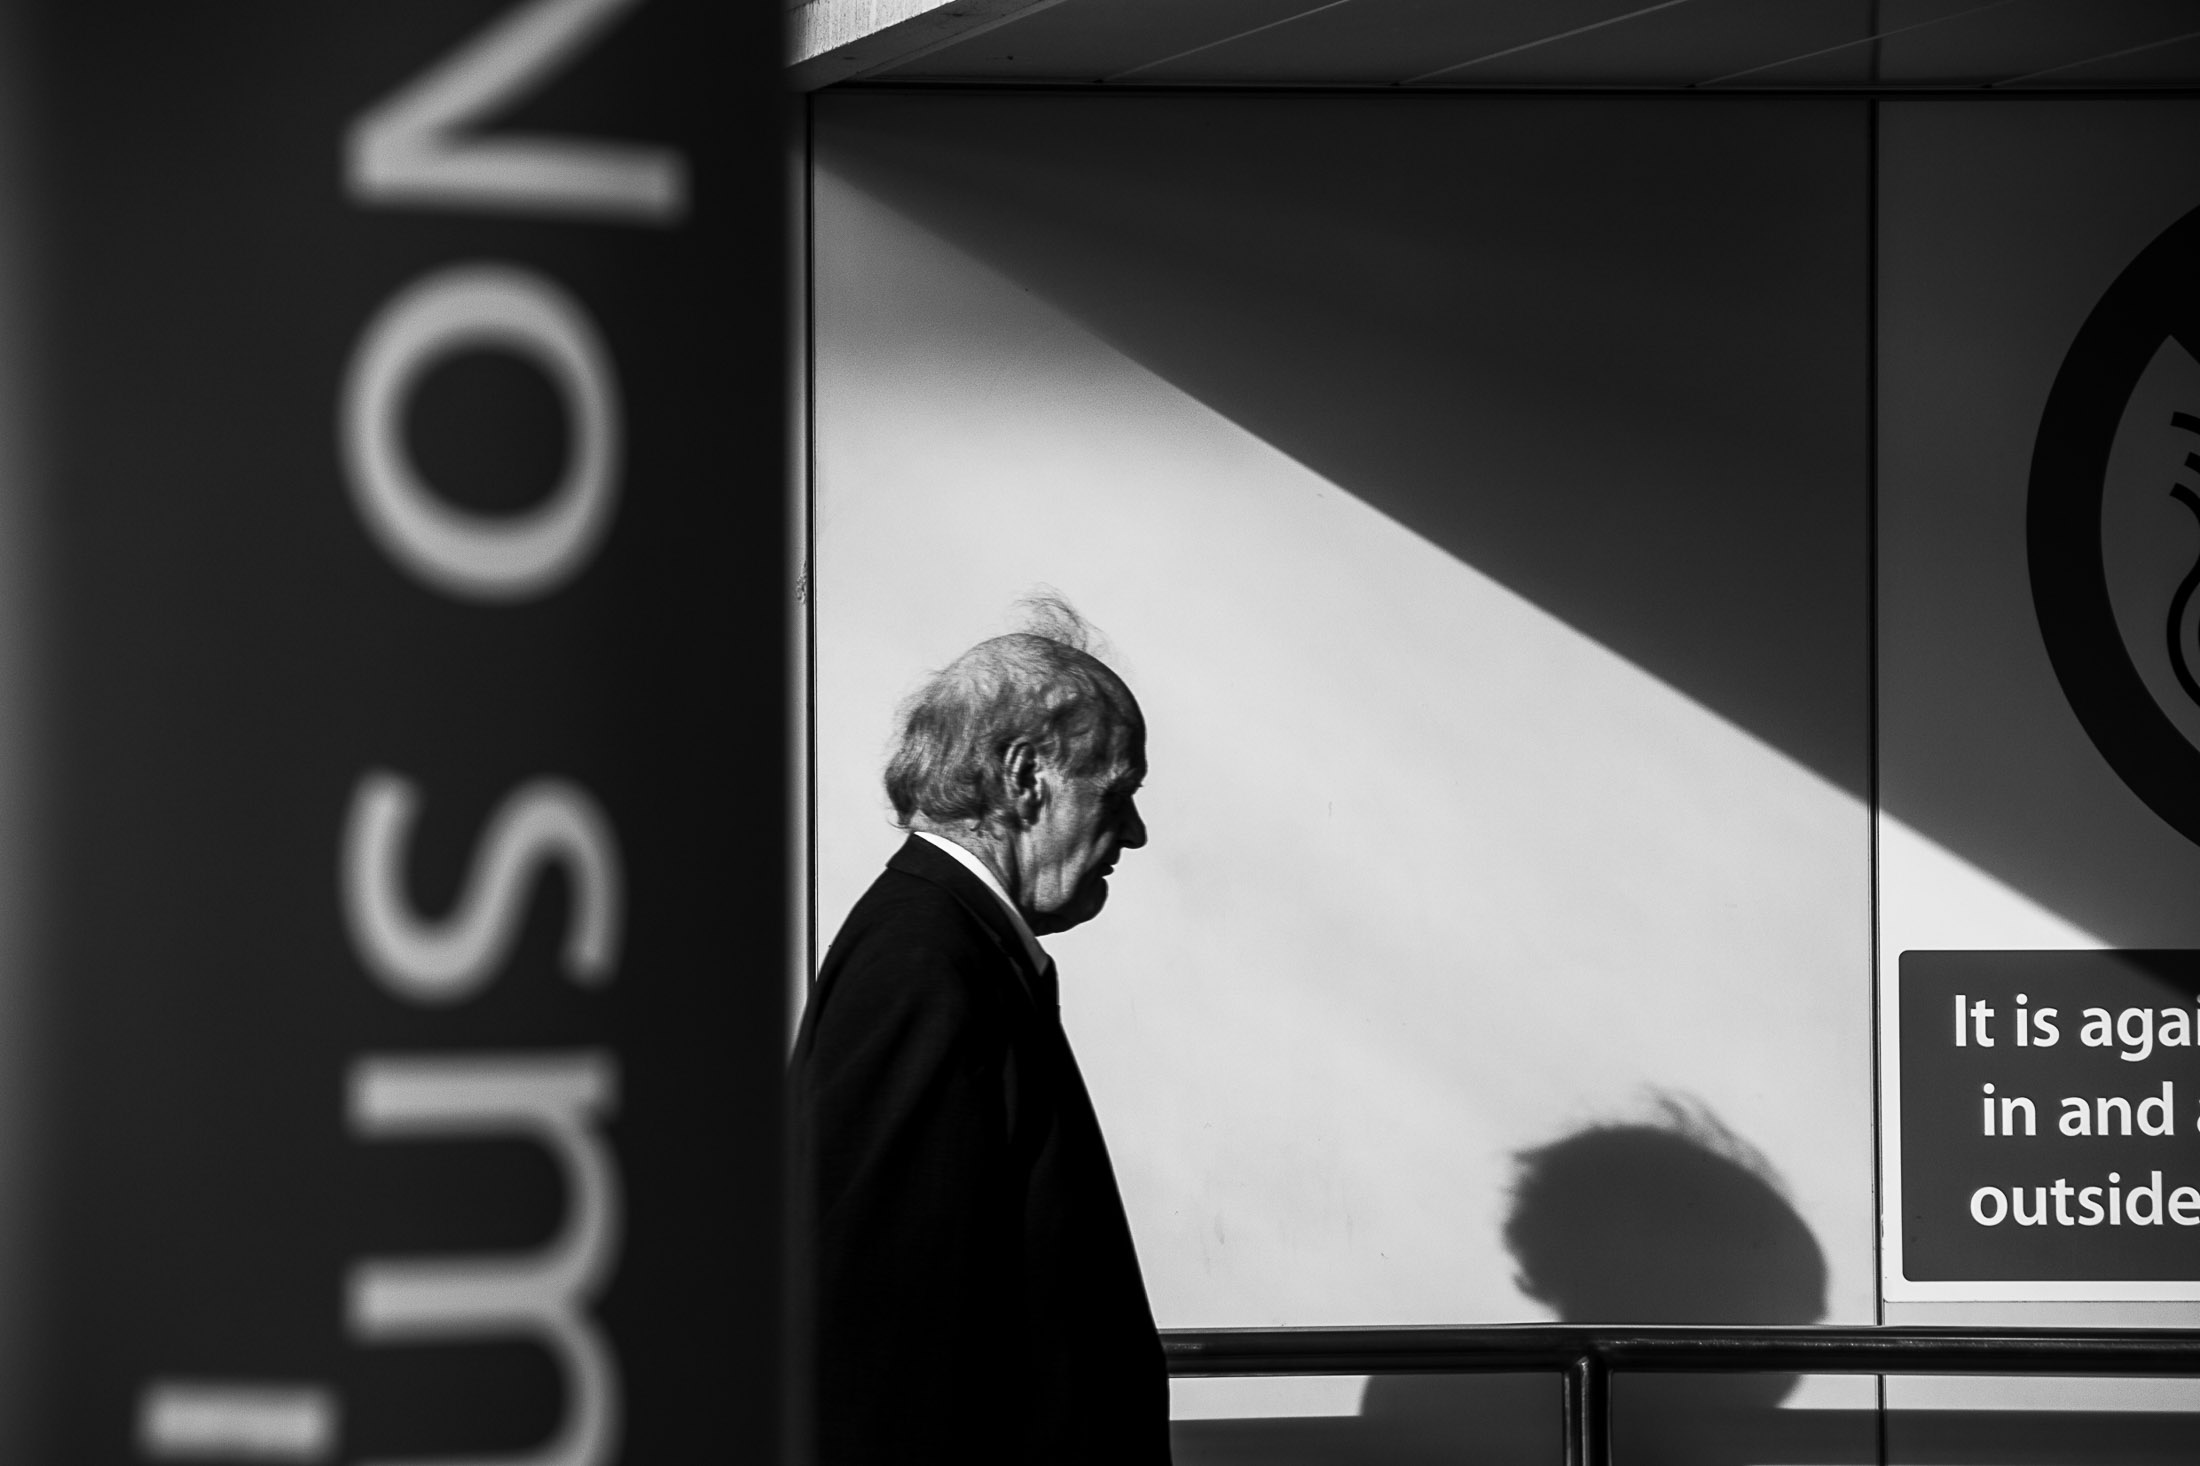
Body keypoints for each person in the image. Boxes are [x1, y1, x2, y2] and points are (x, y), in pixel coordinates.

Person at [792, 598, 1169, 1465]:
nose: (1136, 832)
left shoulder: (952, 945)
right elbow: (881, 1341)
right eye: (1117, 792)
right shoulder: (925, 964)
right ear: (1027, 776)